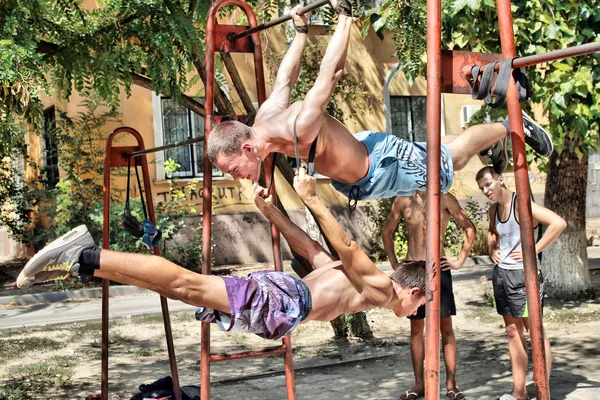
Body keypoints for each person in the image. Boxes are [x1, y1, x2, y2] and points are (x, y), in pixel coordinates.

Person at [206, 0, 553, 206]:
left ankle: (512, 125)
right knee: (438, 151)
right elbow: (284, 79)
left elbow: (330, 73)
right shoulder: (263, 119)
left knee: (451, 161)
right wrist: (299, 34)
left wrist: (345, 14)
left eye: (234, 169)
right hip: (362, 171)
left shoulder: (297, 125)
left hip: (382, 164)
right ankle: (492, 140)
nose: (238, 176)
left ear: (248, 148)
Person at [16, 168, 426, 340]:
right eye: (421, 304)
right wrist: (314, 201)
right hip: (282, 300)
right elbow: (347, 246)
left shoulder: (353, 282)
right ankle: (86, 255)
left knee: (182, 292)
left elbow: (310, 249)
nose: (416, 312)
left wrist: (270, 212)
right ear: (411, 291)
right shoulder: (381, 289)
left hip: (281, 295)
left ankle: (80, 264)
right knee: (186, 284)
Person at [476, 166, 567, 400]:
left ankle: (542, 391)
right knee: (512, 332)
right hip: (503, 275)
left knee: (535, 332)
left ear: (500, 180)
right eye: (481, 188)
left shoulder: (522, 204)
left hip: (524, 277)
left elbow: (558, 223)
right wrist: (492, 247)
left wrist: (533, 249)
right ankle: (519, 392)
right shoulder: (494, 210)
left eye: (488, 184)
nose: (486, 190)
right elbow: (492, 232)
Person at [382, 192, 476, 400]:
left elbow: (469, 228)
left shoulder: (444, 198)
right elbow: (386, 232)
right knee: (416, 329)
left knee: (445, 327)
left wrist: (460, 260)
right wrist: (396, 265)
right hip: (412, 267)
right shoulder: (403, 199)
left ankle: (451, 385)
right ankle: (419, 384)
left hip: (437, 268)